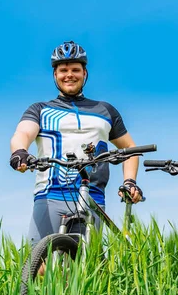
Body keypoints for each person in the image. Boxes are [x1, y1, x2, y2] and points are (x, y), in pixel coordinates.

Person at [9, 41, 143, 245]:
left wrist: (129, 181)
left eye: (75, 70)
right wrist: (20, 151)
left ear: (85, 73)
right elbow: (23, 133)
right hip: (50, 194)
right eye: (63, 70)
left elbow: (131, 149)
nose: (69, 74)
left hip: (92, 197)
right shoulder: (41, 109)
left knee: (86, 265)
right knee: (40, 265)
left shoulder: (105, 110)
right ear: (55, 75)